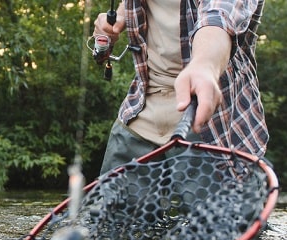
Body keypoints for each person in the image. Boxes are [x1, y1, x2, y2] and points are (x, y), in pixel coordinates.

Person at [94, 0, 269, 174]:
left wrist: (205, 65)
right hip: (137, 114)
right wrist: (120, 18)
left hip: (212, 128)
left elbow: (219, 15)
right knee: (110, 201)